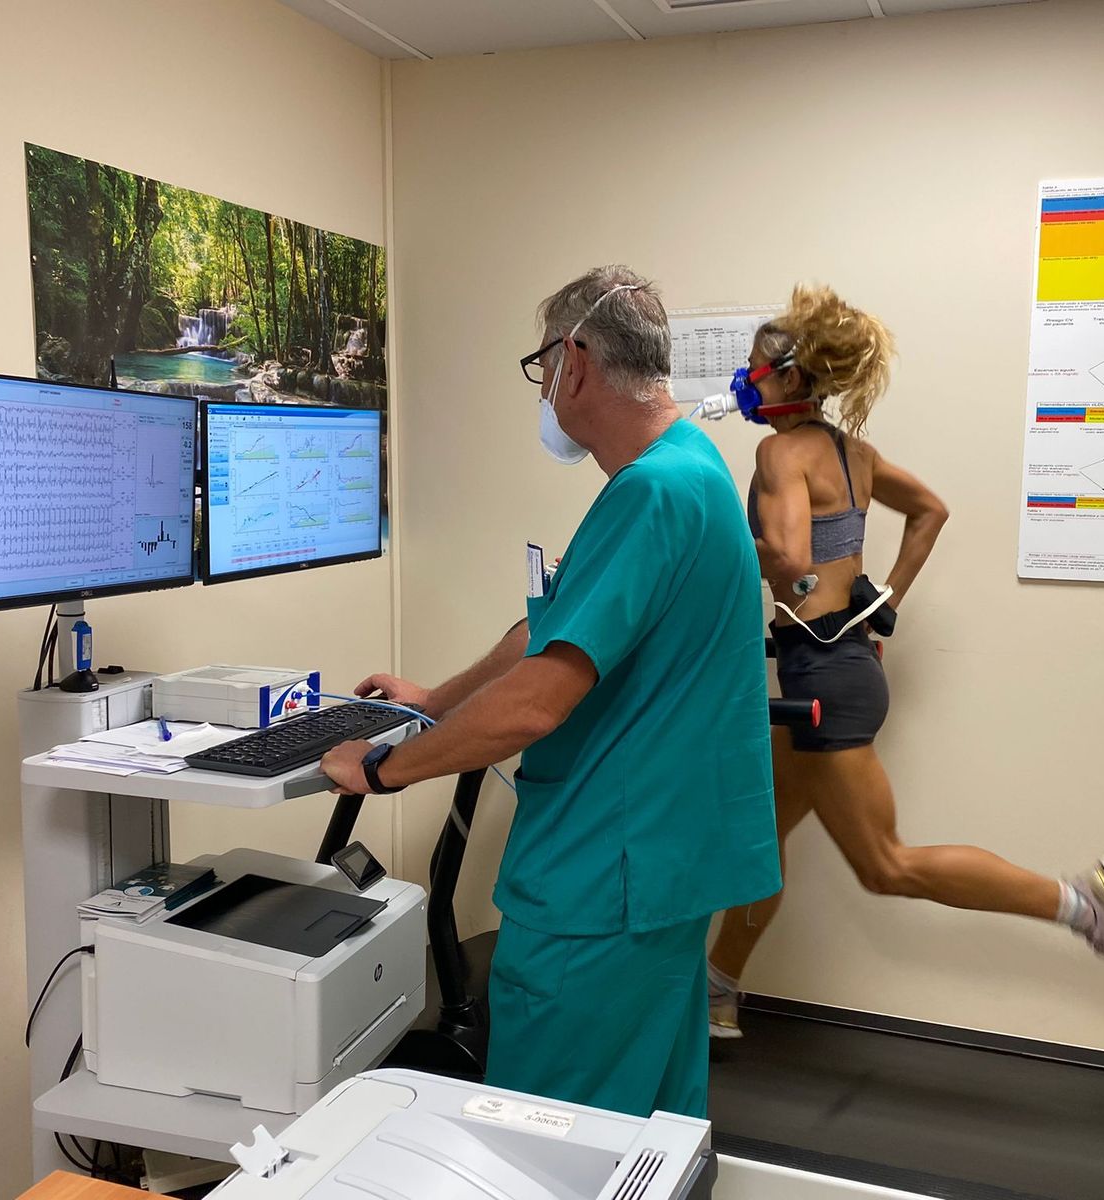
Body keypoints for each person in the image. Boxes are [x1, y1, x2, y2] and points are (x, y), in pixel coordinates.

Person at [321, 266, 779, 1118]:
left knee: (553, 1137)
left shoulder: (652, 490)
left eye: (540, 368)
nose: (545, 392)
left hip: (606, 878)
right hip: (663, 867)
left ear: (573, 362)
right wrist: (437, 699)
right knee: (648, 1122)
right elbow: (556, 626)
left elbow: (538, 700)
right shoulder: (684, 467)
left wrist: (386, 769)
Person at [705, 285, 1104, 1038]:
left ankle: (1084, 904)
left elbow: (785, 559)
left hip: (822, 682)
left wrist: (707, 545)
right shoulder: (856, 455)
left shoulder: (778, 451)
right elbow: (930, 511)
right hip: (842, 663)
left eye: (753, 368)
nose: (744, 381)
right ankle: (718, 990)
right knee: (761, 835)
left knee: (886, 865)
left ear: (789, 377)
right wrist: (886, 600)